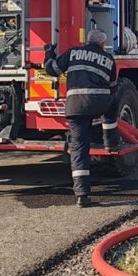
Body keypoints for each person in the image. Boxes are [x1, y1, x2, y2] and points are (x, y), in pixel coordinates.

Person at [44, 30, 120, 208]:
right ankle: (111, 143)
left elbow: (51, 70)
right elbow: (113, 87)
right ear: (102, 44)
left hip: (76, 107)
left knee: (78, 149)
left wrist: (49, 53)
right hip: (100, 104)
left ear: (87, 41)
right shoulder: (108, 59)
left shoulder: (72, 53)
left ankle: (82, 195)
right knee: (113, 104)